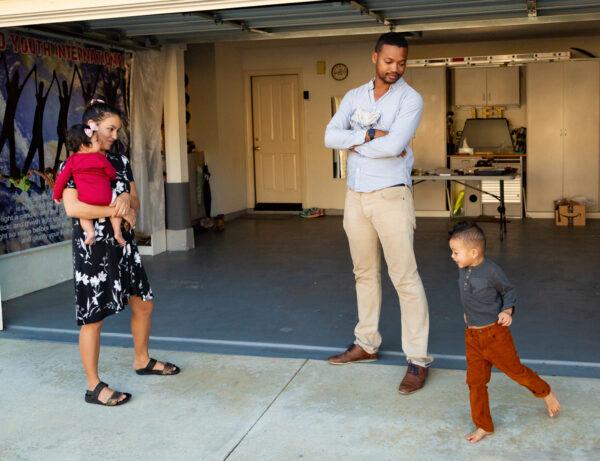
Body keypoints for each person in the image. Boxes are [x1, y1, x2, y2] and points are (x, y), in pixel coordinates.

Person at [324, 32, 432, 394]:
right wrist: (370, 136)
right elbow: (329, 136)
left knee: (405, 278)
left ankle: (417, 360)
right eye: (389, 62)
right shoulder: (354, 96)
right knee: (363, 273)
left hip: (391, 197)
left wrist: (354, 143)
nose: (395, 69)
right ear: (375, 58)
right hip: (356, 197)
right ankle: (366, 344)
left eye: (401, 62)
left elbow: (397, 145)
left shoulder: (410, 99)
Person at [59, 99, 180, 407]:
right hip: (93, 250)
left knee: (144, 304)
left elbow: (136, 202)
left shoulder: (120, 162)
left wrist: (127, 198)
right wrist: (114, 207)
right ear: (92, 127)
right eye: (110, 128)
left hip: (124, 244)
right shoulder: (72, 162)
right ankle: (93, 386)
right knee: (93, 317)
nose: (114, 135)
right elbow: (73, 207)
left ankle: (142, 360)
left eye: (117, 129)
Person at [448, 222, 560, 443]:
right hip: (472, 337)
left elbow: (508, 291)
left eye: (455, 252)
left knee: (516, 371)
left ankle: (545, 391)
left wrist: (507, 310)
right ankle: (484, 425)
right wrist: (469, 315)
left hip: (494, 335)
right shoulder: (464, 268)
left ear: (474, 252)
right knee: (475, 382)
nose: (452, 256)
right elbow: (471, 296)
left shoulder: (492, 271)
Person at [53, 123, 125, 246]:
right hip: (105, 197)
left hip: (86, 199)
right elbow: (112, 174)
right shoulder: (100, 158)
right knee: (115, 205)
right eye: (96, 140)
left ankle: (90, 232)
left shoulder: (71, 161)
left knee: (83, 215)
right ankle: (117, 232)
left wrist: (56, 195)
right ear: (84, 146)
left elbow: (61, 180)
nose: (99, 143)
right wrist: (108, 177)